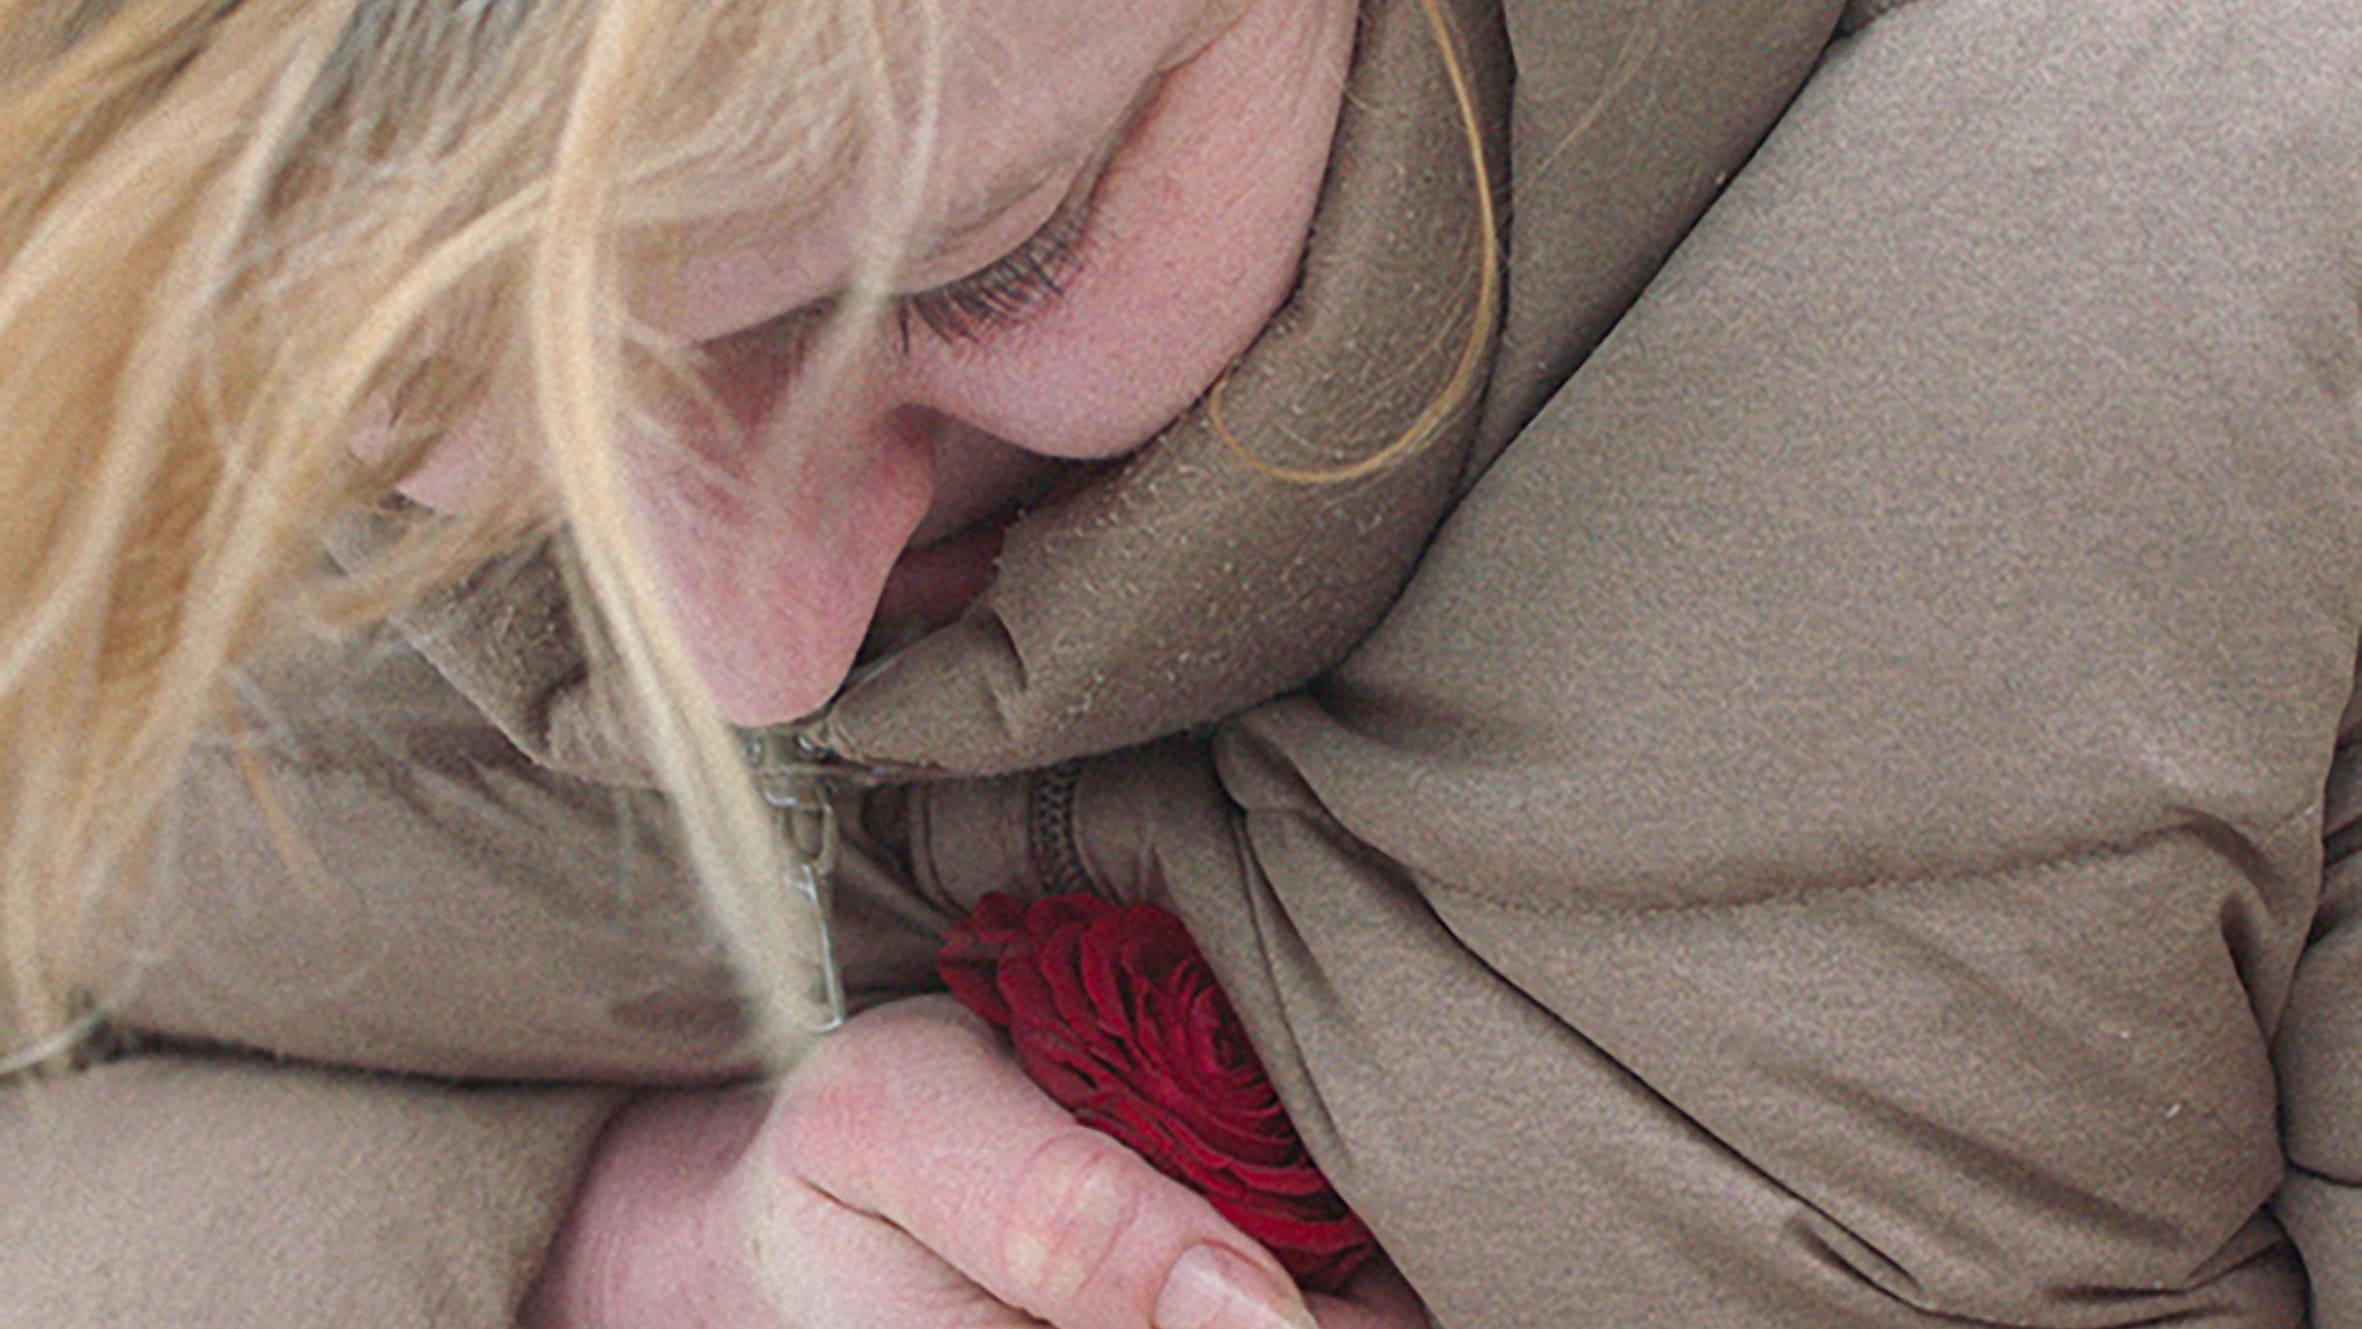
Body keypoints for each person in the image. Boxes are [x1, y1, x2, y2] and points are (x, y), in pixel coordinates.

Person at [3, 0, 2358, 1325]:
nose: (751, 648)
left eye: (987, 261)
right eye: (415, 373)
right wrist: (626, 1253)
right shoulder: (85, 372)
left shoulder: (2261, 309)